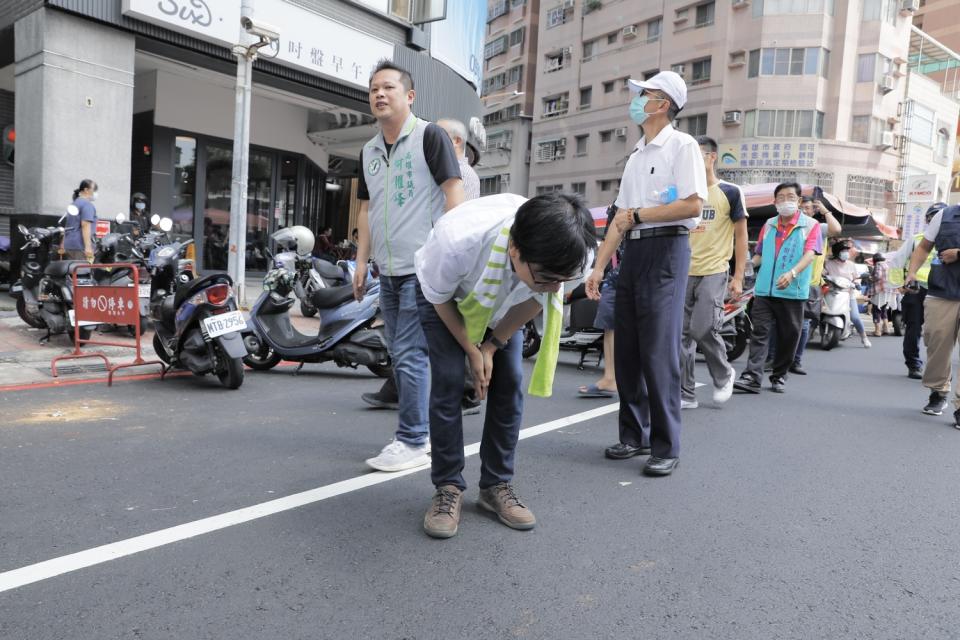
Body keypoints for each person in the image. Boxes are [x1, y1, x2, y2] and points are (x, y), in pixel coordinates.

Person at [415, 192, 596, 538]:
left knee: (510, 379)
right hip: (448, 300)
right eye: (546, 276)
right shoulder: (457, 241)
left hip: (507, 305)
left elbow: (542, 296)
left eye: (562, 278)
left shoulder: (575, 250)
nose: (556, 286)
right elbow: (437, 296)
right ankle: (448, 487)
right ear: (514, 250)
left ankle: (495, 484)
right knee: (451, 380)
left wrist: (493, 345)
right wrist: (472, 351)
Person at [585, 70, 707, 477]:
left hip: (667, 248)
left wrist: (640, 215)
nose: (637, 100)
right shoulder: (637, 155)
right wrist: (598, 267)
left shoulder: (682, 145)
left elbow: (692, 206)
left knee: (658, 351)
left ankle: (666, 444)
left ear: (665, 104)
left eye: (646, 94)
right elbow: (619, 219)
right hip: (633, 252)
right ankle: (632, 435)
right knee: (629, 350)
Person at [354, 59, 465, 472]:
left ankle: (413, 439)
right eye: (373, 89)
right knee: (406, 353)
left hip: (423, 267)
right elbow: (366, 210)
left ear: (409, 96)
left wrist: (449, 255)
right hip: (388, 270)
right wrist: (362, 261)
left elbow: (454, 195)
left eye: (388, 88)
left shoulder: (430, 136)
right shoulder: (367, 150)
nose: (379, 95)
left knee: (408, 352)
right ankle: (423, 433)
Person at [733, 182, 822, 394]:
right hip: (764, 290)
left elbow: (810, 254)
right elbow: (760, 255)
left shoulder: (810, 225)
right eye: (780, 197)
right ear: (774, 202)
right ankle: (752, 377)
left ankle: (779, 375)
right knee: (759, 334)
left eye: (790, 197)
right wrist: (746, 265)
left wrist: (792, 274)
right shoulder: (769, 224)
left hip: (792, 291)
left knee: (789, 336)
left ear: (799, 201)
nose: (785, 201)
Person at [679, 135, 747, 409]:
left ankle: (723, 373)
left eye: (698, 156)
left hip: (714, 270)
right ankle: (686, 393)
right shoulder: (685, 193)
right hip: (684, 271)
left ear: (711, 157)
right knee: (680, 336)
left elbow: (741, 237)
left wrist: (738, 276)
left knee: (702, 327)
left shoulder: (730, 192)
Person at [905, 203, 960, 422]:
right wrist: (911, 273)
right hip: (941, 291)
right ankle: (938, 391)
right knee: (936, 344)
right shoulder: (944, 216)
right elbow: (924, 247)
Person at [884, 202, 945, 378]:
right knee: (913, 329)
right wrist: (899, 286)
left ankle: (936, 368)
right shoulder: (917, 239)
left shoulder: (951, 241)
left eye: (942, 216)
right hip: (916, 291)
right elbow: (897, 262)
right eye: (934, 216)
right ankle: (913, 365)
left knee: (939, 333)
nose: (939, 220)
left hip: (941, 292)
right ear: (927, 220)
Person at [578, 204, 620, 399]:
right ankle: (610, 378)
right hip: (618, 273)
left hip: (648, 269)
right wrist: (598, 269)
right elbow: (611, 235)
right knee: (608, 321)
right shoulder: (619, 202)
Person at [823, 240, 871, 348]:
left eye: (847, 250)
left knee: (855, 317)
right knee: (818, 311)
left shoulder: (851, 265)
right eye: (843, 250)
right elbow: (824, 274)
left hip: (848, 294)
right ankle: (811, 331)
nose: (846, 253)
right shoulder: (829, 263)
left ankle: (864, 337)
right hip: (831, 292)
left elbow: (855, 278)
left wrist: (856, 284)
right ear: (837, 252)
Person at [437, 118, 480, 201]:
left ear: (457, 141)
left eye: (438, 135)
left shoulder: (461, 173)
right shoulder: (457, 171)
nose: (432, 139)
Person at [63, 179, 98, 262]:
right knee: (83, 272)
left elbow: (67, 225)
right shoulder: (87, 205)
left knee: (71, 272)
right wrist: (88, 248)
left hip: (69, 245)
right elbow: (85, 225)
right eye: (94, 190)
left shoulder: (74, 204)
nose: (96, 193)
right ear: (86, 190)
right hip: (80, 246)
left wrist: (62, 243)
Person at [868, 253, 894, 336]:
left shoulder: (878, 265)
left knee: (876, 310)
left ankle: (877, 331)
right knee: (884, 310)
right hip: (888, 291)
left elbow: (877, 276)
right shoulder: (887, 265)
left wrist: (870, 278)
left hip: (879, 291)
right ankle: (886, 328)